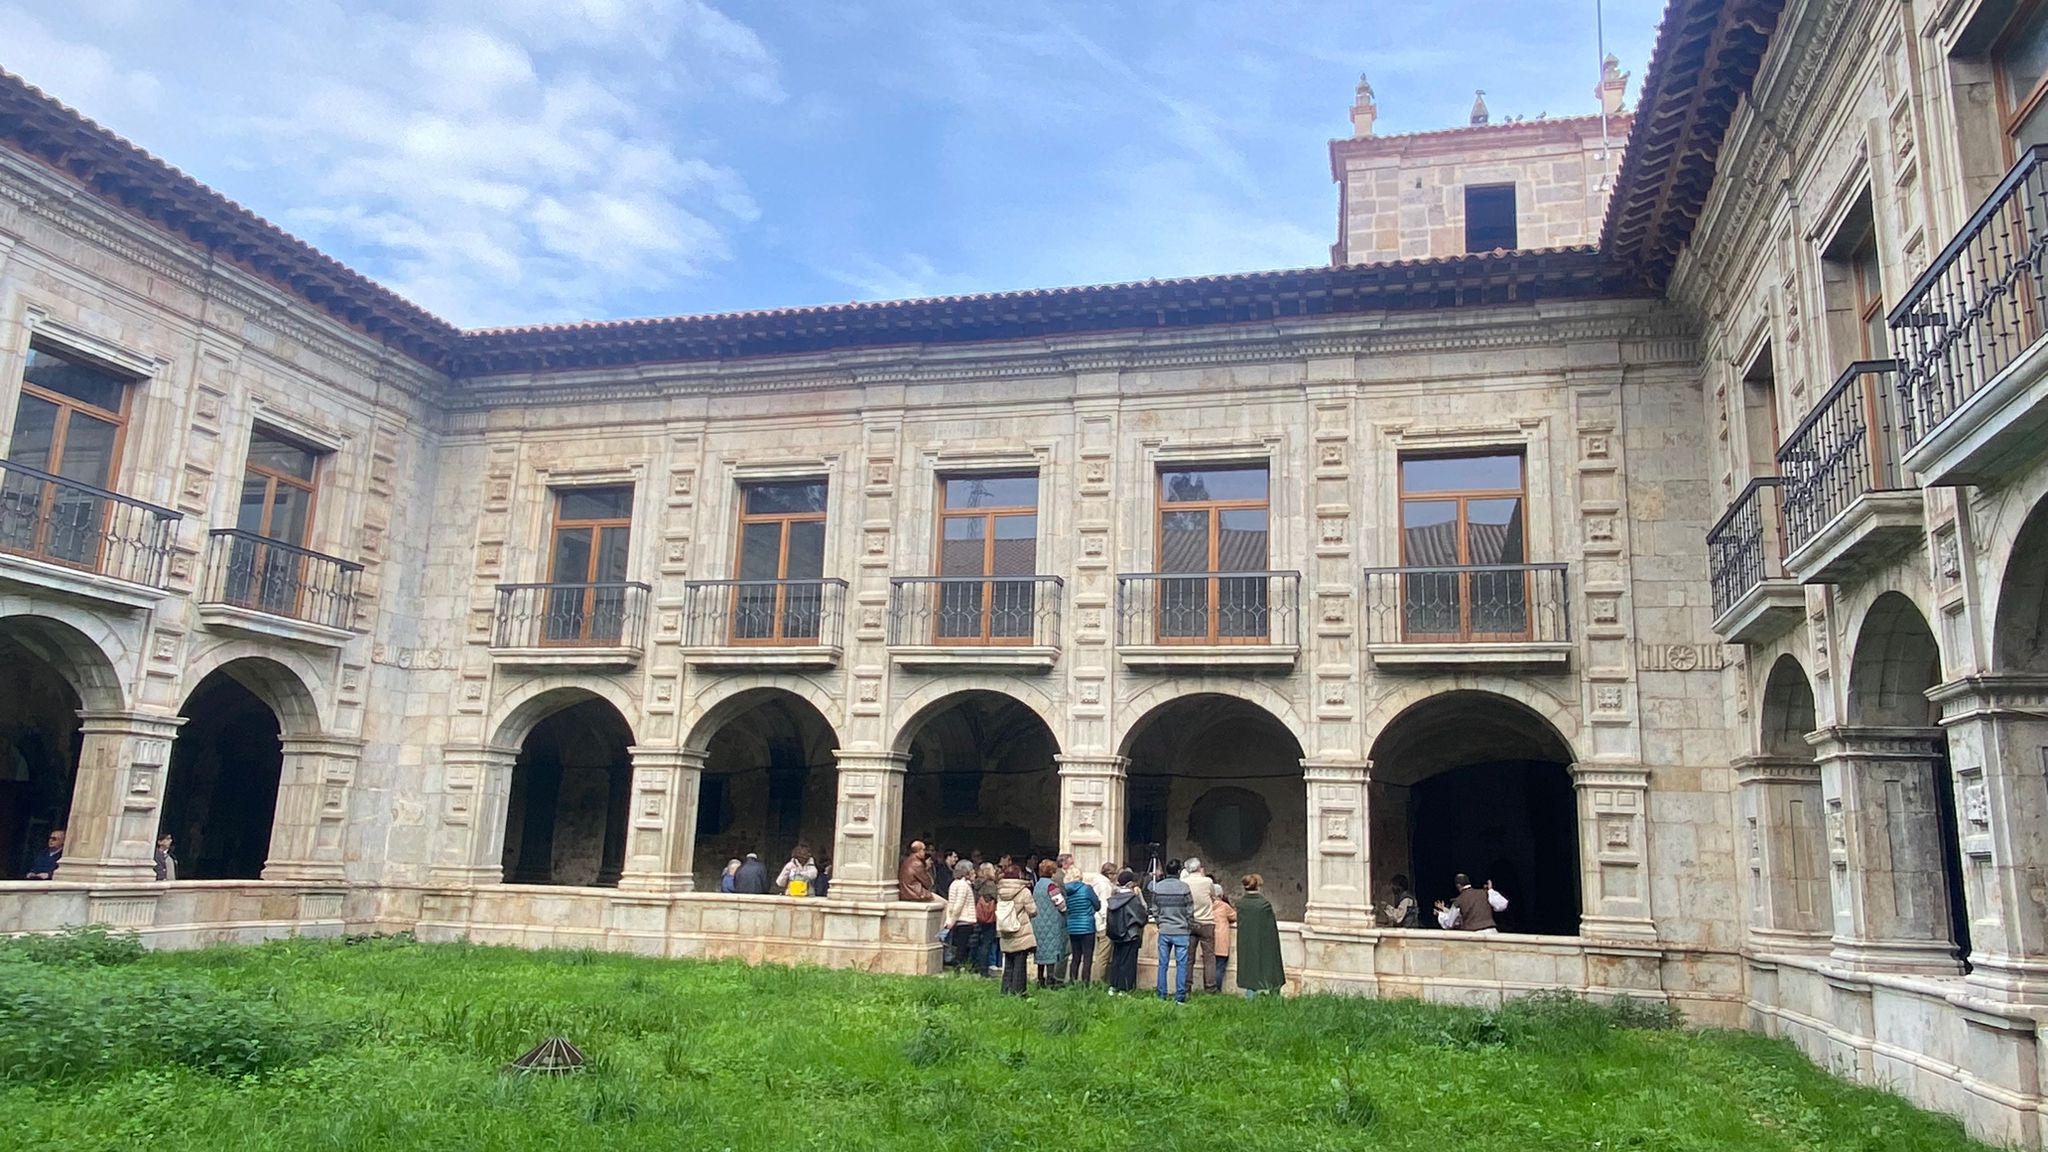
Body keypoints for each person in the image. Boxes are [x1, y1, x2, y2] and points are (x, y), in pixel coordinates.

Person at [1150, 858, 1194, 1003]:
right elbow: (1190, 910)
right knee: (1182, 965)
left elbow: (1154, 909)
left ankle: (1161, 994)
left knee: (1163, 964)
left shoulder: (1158, 887)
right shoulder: (1184, 888)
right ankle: (1180, 997)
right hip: (1181, 930)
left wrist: (1159, 922)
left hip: (1165, 930)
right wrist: (1189, 924)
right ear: (1180, 871)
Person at [1234, 874, 1285, 997]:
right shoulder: (1264, 904)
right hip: (1265, 941)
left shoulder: (1240, 904)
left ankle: (1250, 998)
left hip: (1246, 942)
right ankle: (1274, 996)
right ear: (1258, 886)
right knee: (1271, 967)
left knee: (1250, 969)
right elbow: (1270, 926)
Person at [995, 864, 1038, 996]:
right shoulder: (1023, 891)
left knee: (1008, 963)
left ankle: (1005, 990)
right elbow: (1033, 910)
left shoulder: (1000, 892)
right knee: (1020, 963)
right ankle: (1018, 992)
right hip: (1020, 931)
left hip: (1006, 930)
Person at [1104, 869, 1149, 993]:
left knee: (1116, 960)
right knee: (1128, 962)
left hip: (1116, 933)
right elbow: (1140, 915)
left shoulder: (1113, 898)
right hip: (1130, 933)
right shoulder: (1132, 898)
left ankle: (1114, 986)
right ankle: (1125, 988)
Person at [1030, 859, 1069, 988]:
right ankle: (1050, 979)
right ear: (1052, 871)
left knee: (1041, 951)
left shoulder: (1038, 884)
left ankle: (1040, 978)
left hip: (1038, 922)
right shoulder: (1051, 886)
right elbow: (1061, 904)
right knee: (1052, 951)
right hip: (1052, 923)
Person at [1062, 862, 1100, 985]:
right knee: (1087, 957)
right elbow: (1097, 905)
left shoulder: (1065, 891)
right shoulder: (1086, 889)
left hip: (1072, 926)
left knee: (1075, 956)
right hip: (1087, 926)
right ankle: (1085, 983)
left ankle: (1072, 981)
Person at [1435, 873, 1508, 934]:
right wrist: (1491, 890)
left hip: (1474, 936)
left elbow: (1449, 923)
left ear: (1458, 885)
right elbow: (1502, 904)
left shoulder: (1459, 900)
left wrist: (1440, 915)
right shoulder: (1484, 893)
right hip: (1491, 933)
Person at [1185, 857, 1217, 993]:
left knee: (1188, 957)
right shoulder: (1207, 881)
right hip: (1206, 922)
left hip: (1190, 921)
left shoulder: (1184, 882)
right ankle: (1210, 987)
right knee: (1209, 957)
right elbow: (1214, 896)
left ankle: (1186, 986)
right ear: (1199, 868)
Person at [1081, 858, 1116, 981]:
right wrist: (1107, 922)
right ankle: (1098, 981)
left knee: (1095, 955)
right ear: (1110, 874)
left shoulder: (1095, 882)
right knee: (1103, 956)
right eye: (1114, 873)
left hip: (1093, 920)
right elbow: (1104, 905)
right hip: (1103, 923)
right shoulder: (1105, 885)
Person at [943, 860, 979, 970]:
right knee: (962, 947)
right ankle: (959, 968)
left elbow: (951, 903)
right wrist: (952, 921)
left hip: (958, 920)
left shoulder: (954, 884)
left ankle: (958, 967)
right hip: (965, 920)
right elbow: (959, 904)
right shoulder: (964, 886)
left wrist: (949, 918)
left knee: (959, 946)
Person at [973, 862, 1001, 976]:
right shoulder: (990, 885)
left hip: (978, 915)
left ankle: (976, 965)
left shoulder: (976, 883)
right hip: (989, 917)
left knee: (978, 942)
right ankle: (984, 970)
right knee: (987, 943)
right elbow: (996, 898)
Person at [1210, 889, 1236, 992]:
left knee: (1209, 966)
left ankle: (1208, 988)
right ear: (1221, 894)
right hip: (1221, 940)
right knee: (1219, 967)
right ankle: (1217, 989)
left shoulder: (1207, 906)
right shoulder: (1224, 906)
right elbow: (1235, 916)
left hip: (1209, 939)